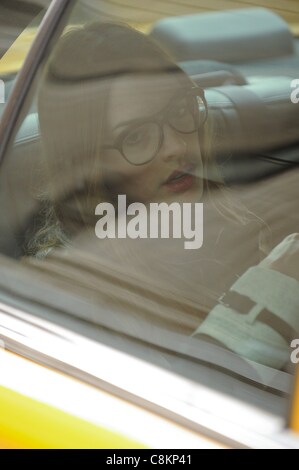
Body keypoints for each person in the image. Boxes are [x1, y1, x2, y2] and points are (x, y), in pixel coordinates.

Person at [25, 21, 299, 374]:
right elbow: (192, 406)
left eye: (180, 111)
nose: (177, 145)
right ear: (89, 163)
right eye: (136, 137)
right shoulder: (73, 292)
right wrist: (273, 290)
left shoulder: (225, 218)